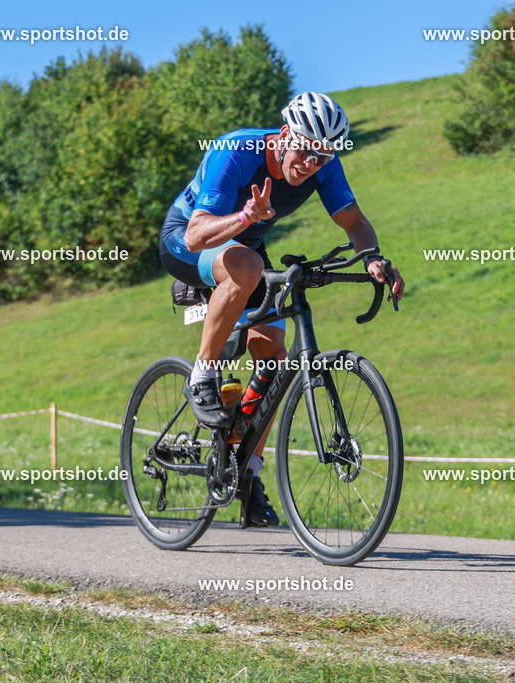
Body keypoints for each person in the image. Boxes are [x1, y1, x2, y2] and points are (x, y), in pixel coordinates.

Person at [158, 92, 404, 527]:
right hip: (189, 237)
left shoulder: (323, 166)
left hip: (245, 242)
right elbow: (196, 235)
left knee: (272, 350)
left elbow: (355, 223)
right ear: (285, 135)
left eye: (323, 155)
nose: (312, 162)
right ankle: (202, 374)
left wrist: (373, 258)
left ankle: (248, 477)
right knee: (248, 264)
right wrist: (245, 217)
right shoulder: (237, 151)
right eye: (306, 149)